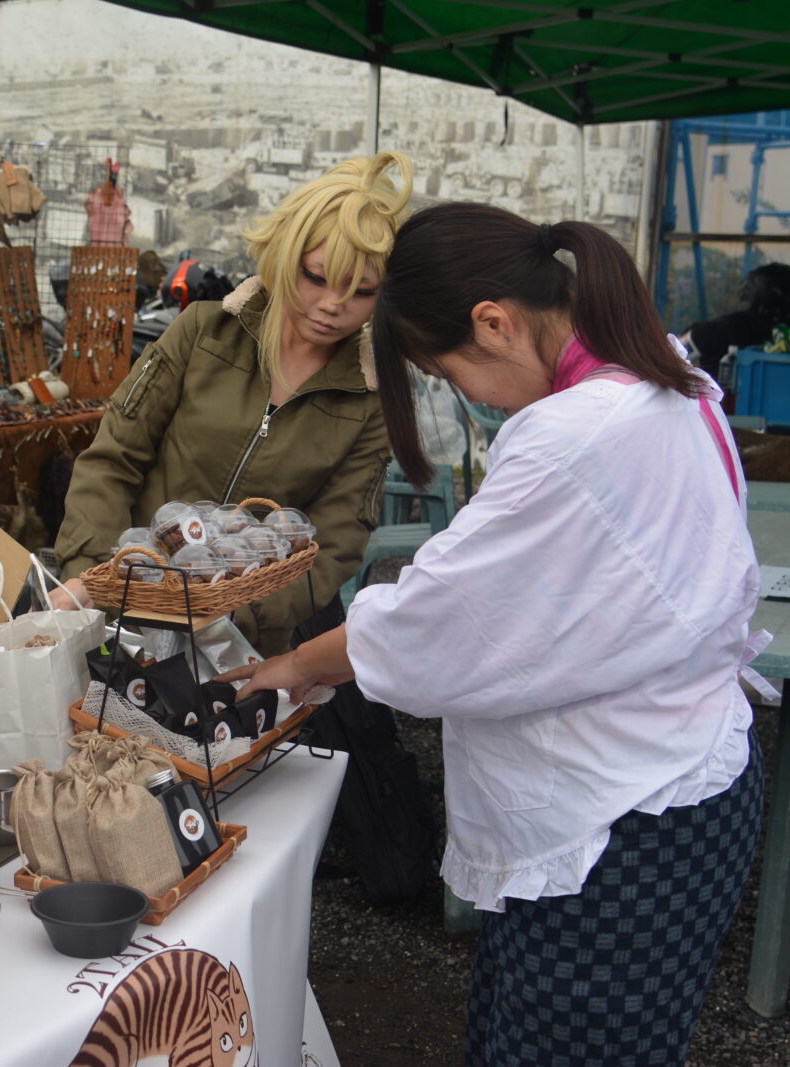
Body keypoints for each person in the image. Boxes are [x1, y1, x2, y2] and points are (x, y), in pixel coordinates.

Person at [223, 203, 763, 1066]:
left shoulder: (571, 436)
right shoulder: (661, 382)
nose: (465, 395)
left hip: (620, 822)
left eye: (445, 373)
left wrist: (294, 663)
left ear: (494, 323)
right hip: (681, 781)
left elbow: (436, 620)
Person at [53, 152, 412, 656]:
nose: (333, 304)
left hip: (243, 644)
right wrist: (97, 577)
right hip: (127, 612)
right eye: (316, 277)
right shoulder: (203, 333)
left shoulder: (371, 399)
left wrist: (230, 614)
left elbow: (333, 544)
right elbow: (113, 459)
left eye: (361, 291)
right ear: (284, 255)